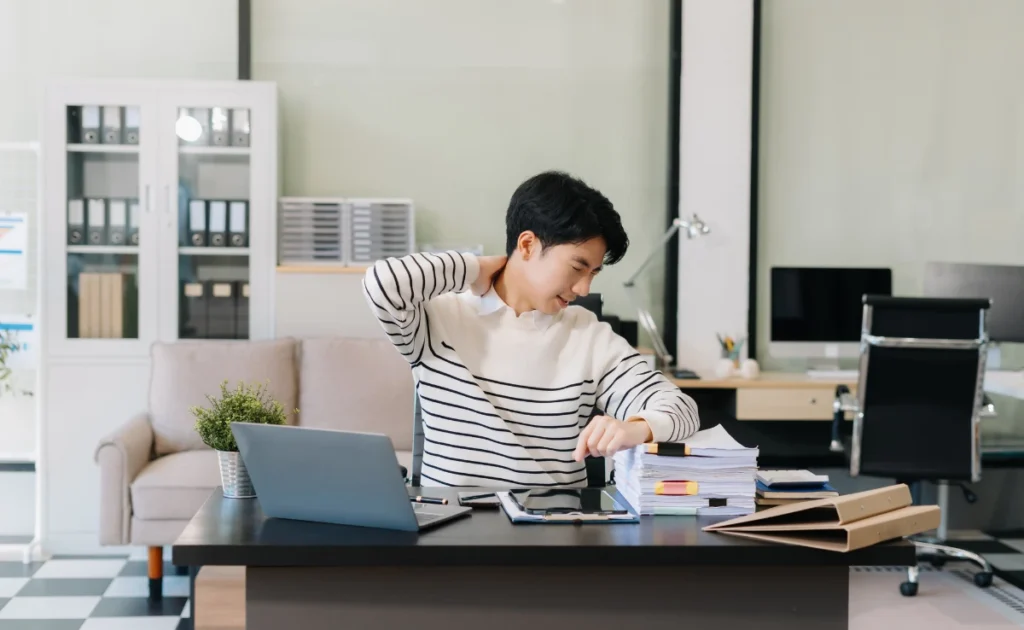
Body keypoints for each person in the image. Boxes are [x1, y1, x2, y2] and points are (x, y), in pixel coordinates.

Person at [363, 170, 699, 487]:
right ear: (527, 245)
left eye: (594, 273)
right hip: (451, 527)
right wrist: (474, 267)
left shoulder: (589, 336)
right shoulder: (438, 318)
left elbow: (682, 409)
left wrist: (636, 428)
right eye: (577, 267)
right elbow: (382, 283)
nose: (584, 288)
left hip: (553, 529)